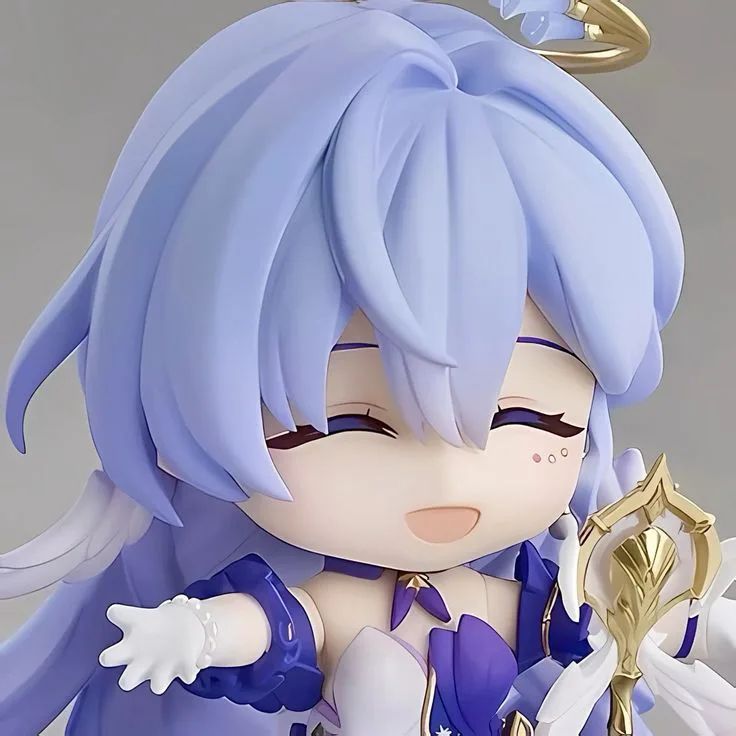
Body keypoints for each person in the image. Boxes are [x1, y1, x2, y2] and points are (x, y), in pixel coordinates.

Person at [2, 1, 734, 734]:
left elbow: (600, 622)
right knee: (375, 669)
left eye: (526, 416)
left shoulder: (509, 596)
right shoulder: (338, 606)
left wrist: (689, 617)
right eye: (347, 422)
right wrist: (194, 633)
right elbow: (270, 624)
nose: (447, 477)